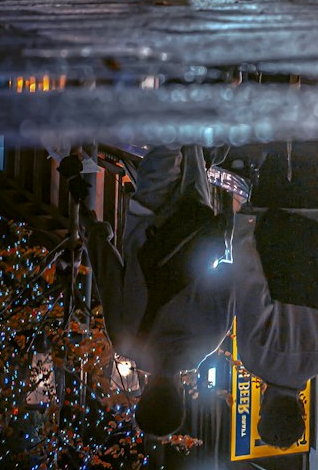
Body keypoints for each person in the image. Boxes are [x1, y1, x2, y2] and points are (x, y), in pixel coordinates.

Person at [77, 145, 235, 437]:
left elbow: (228, 275)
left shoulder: (208, 341)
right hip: (148, 219)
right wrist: (93, 232)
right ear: (144, 395)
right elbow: (109, 274)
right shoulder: (128, 341)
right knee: (169, 137)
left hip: (193, 223)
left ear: (182, 396)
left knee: (192, 146)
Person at [233, 142, 318, 450]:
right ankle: (278, 93)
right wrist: (244, 232)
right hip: (270, 224)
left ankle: (316, 94)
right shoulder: (254, 358)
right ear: (264, 407)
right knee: (273, 147)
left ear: (301, 409)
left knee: (310, 147)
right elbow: (251, 286)